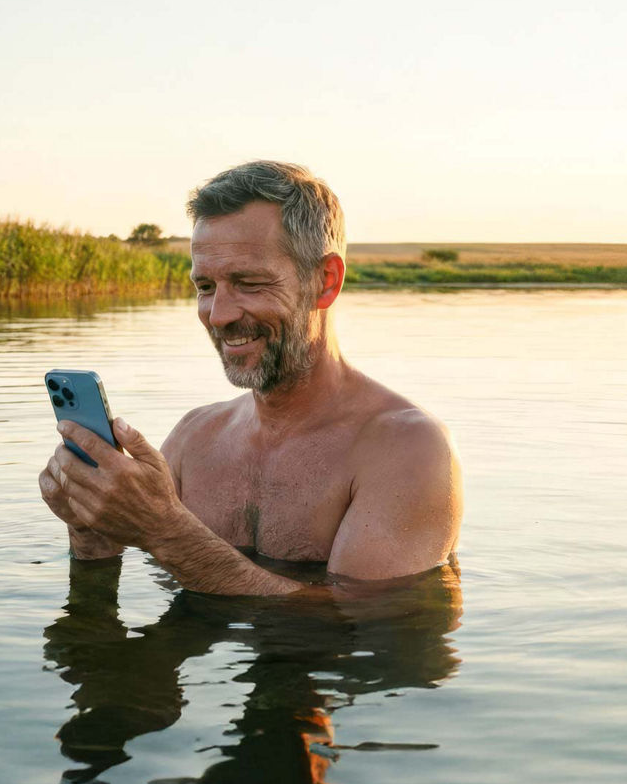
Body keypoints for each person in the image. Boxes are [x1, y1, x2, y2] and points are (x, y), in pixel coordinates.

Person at [38, 160, 462, 595]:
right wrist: (91, 528)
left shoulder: (407, 447)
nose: (218, 315)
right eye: (205, 287)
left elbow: (369, 617)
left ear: (326, 281)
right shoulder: (193, 437)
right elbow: (152, 587)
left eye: (250, 283)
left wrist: (165, 531)